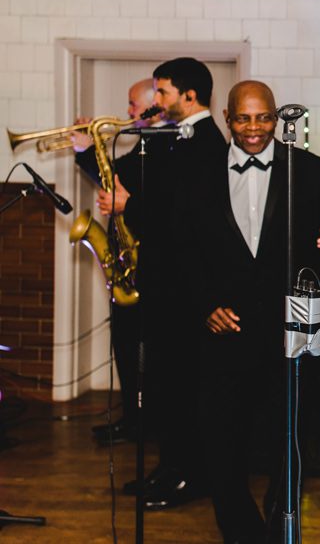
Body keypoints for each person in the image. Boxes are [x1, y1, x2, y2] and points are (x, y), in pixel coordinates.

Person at [193, 80, 320, 544]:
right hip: (225, 334)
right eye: (244, 118)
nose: (255, 128)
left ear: (277, 117)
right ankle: (240, 532)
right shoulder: (198, 174)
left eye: (264, 117)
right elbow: (183, 253)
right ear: (227, 118)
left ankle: (280, 520)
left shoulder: (311, 170)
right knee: (222, 442)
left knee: (293, 438)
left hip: (291, 334)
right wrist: (205, 306)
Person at [113, 57, 229, 507]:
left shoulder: (204, 144)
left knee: (183, 389)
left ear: (189, 95)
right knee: (165, 386)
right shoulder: (179, 139)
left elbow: (183, 219)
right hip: (165, 285)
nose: (156, 101)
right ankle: (169, 468)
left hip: (185, 290)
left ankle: (187, 476)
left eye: (161, 92)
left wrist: (131, 208)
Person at [67, 78, 160, 446]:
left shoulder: (164, 151)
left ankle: (147, 422)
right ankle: (134, 419)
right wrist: (86, 150)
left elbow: (127, 190)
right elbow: (110, 178)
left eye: (134, 104)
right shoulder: (141, 148)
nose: (129, 111)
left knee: (147, 354)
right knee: (124, 345)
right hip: (126, 262)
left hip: (149, 266)